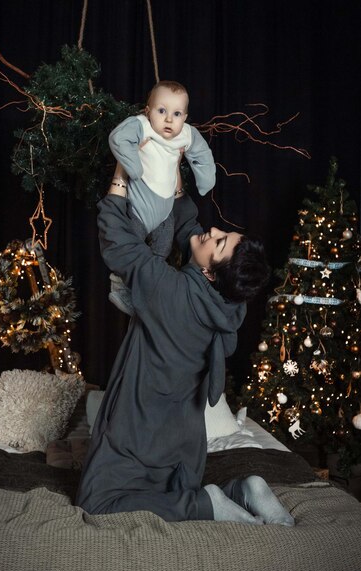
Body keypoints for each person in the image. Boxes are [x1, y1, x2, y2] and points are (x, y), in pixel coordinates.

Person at [75, 168, 294, 526]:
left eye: (220, 241)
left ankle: (205, 505)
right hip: (182, 453)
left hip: (138, 436)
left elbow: (118, 242)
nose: (214, 231)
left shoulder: (167, 291)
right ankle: (243, 490)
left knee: (96, 502)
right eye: (224, 233)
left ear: (211, 272)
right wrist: (175, 185)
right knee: (160, 495)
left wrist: (118, 176)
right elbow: (192, 234)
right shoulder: (229, 303)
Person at [107, 80, 216, 315]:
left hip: (165, 211)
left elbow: (203, 154)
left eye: (176, 114)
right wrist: (132, 166)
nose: (168, 120)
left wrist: (206, 181)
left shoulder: (186, 134)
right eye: (161, 111)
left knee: (162, 250)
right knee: (129, 248)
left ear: (185, 117)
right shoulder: (142, 126)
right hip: (138, 207)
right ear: (148, 111)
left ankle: (144, 289)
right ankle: (119, 284)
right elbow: (118, 137)